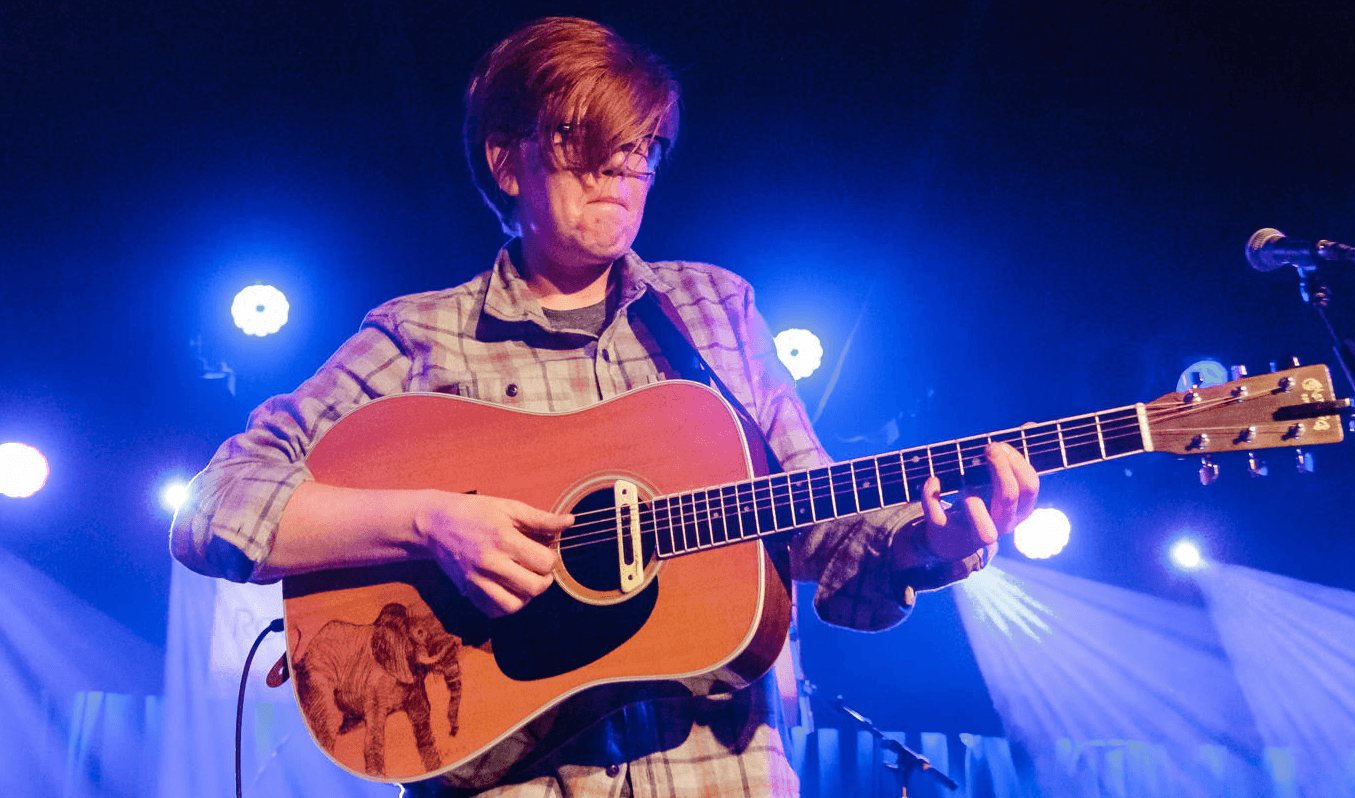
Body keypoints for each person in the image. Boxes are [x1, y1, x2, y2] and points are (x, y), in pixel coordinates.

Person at [170, 16, 1039, 798]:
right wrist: (431, 523)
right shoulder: (415, 337)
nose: (622, 171)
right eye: (589, 143)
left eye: (642, 147)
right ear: (506, 160)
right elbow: (214, 505)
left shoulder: (714, 311)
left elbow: (814, 520)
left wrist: (928, 544)